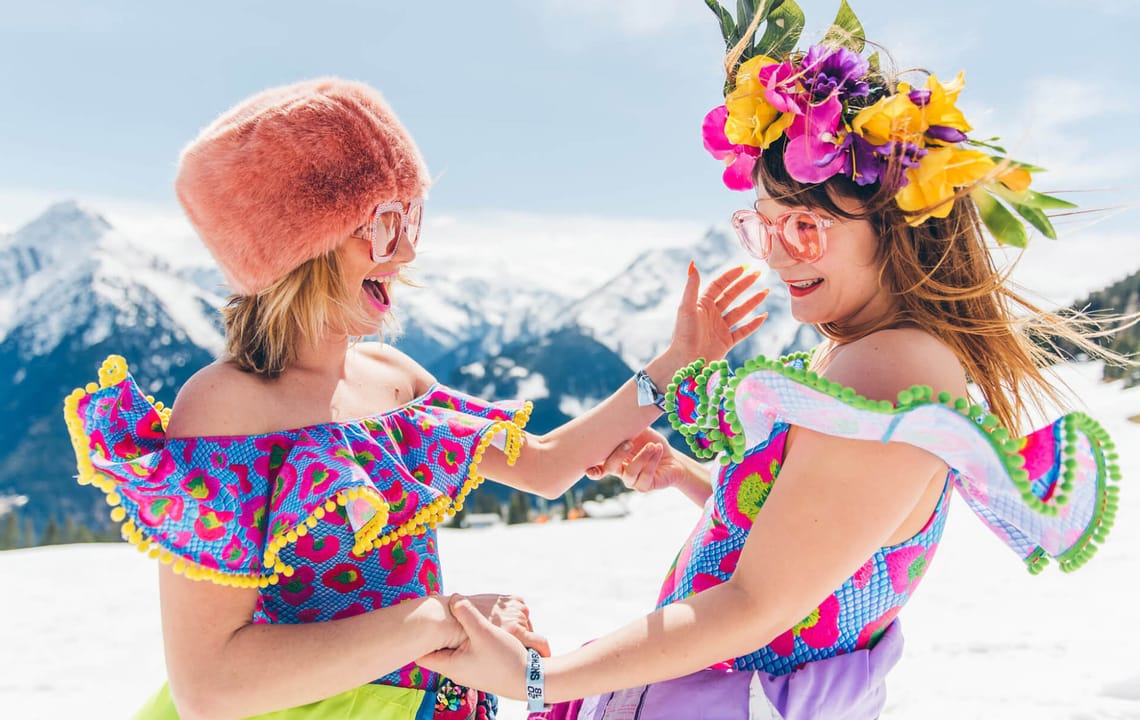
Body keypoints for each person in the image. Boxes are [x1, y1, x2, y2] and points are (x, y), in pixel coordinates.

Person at [413, 3, 1126, 718]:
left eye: (808, 227)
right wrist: (694, 480)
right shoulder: (864, 356)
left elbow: (759, 602)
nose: (780, 253)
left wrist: (541, 679)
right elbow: (817, 544)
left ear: (897, 228)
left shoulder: (889, 372)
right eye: (766, 224)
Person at [62, 78, 769, 720]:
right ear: (297, 247)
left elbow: (548, 464)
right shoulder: (224, 410)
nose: (405, 253)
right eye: (383, 226)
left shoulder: (391, 378)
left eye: (414, 221)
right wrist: (440, 621)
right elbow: (211, 686)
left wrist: (677, 365)